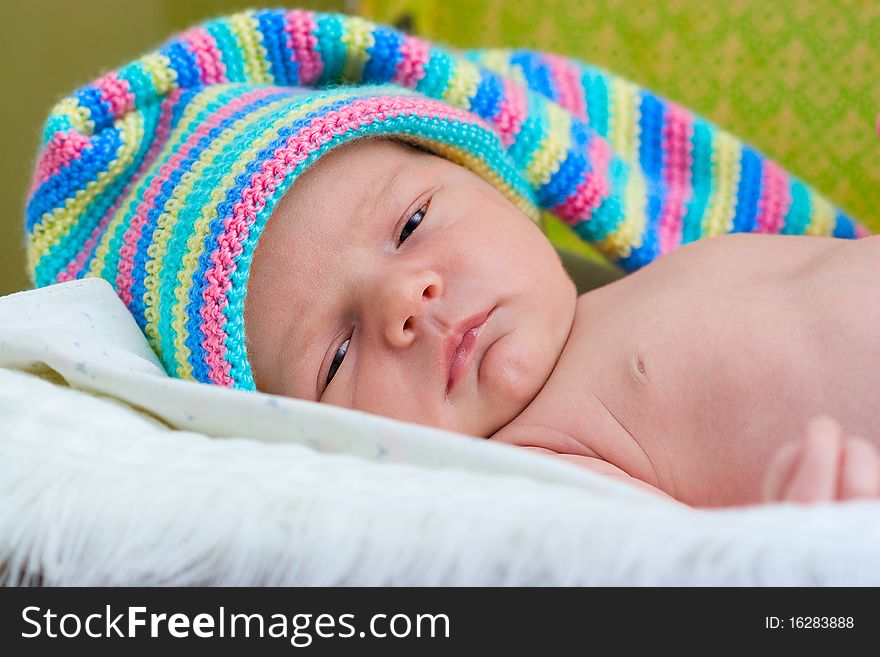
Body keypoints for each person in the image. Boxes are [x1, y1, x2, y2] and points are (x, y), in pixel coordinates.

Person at [23, 9, 876, 508]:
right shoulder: (538, 465)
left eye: (412, 222)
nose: (407, 295)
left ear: (496, 180)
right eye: (338, 353)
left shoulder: (670, 262)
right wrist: (800, 562)